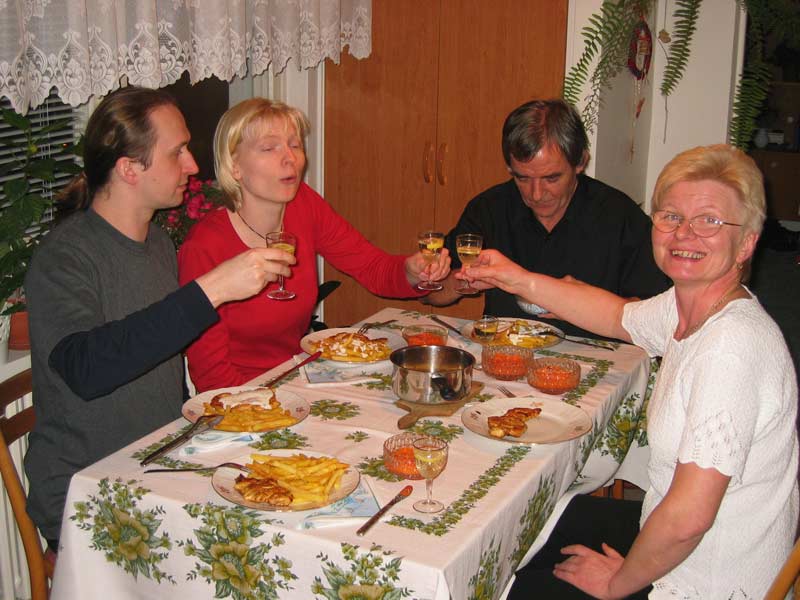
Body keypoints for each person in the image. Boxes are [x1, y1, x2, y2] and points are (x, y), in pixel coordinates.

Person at [462, 144, 798, 599]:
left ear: (748, 241)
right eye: (671, 216)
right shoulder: (695, 308)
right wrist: (513, 276)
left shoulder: (730, 348)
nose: (685, 233)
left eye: (710, 221)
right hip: (677, 541)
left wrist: (620, 582)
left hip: (705, 580)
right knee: (527, 525)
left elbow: (688, 519)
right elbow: (618, 315)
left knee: (504, 576)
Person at [23, 86, 290, 551]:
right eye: (178, 152)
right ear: (130, 169)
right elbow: (88, 369)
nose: (192, 165)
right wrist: (212, 290)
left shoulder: (158, 245)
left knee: (291, 513)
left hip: (159, 463)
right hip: (90, 489)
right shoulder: (64, 258)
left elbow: (161, 363)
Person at [178, 98, 450, 392]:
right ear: (234, 167)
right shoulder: (205, 247)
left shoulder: (303, 205)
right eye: (269, 148)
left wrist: (412, 272)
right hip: (244, 397)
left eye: (294, 145)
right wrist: (265, 408)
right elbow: (212, 377)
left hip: (299, 378)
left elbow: (372, 267)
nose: (289, 158)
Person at [426, 99, 670, 338]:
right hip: (504, 356)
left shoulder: (619, 216)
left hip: (591, 359)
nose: (536, 194)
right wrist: (463, 284)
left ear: (580, 163)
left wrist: (581, 305)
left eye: (551, 178)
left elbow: (654, 315)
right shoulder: (489, 209)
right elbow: (432, 294)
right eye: (522, 178)